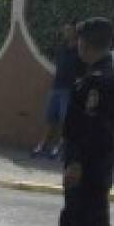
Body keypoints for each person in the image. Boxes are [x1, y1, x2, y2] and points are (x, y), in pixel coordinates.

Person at [25, 18, 114, 226]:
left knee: (93, 214)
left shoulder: (101, 79)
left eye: (79, 41)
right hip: (81, 158)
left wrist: (78, 162)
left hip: (90, 161)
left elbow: (91, 127)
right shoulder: (93, 73)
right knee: (72, 212)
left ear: (85, 43)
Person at [32, 23, 82, 159]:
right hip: (56, 87)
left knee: (64, 120)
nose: (65, 32)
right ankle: (41, 145)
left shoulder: (80, 50)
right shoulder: (62, 48)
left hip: (69, 88)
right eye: (64, 30)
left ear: (75, 32)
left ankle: (58, 147)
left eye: (68, 30)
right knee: (50, 118)